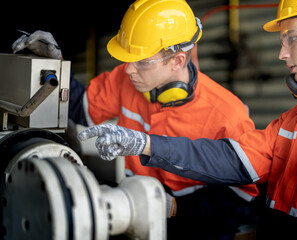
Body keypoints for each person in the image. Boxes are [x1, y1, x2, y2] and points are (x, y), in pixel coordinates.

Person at [78, 0, 297, 239]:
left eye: (293, 37)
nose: (281, 53)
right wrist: (145, 144)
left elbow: (235, 201)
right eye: (282, 41)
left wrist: (176, 210)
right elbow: (234, 159)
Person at [12, 0, 261, 239]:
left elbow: (239, 197)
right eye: (128, 59)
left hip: (198, 227)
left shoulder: (227, 115)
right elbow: (79, 107)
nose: (129, 69)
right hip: (132, 208)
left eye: (142, 62)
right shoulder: (126, 79)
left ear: (177, 60)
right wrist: (55, 64)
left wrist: (175, 208)